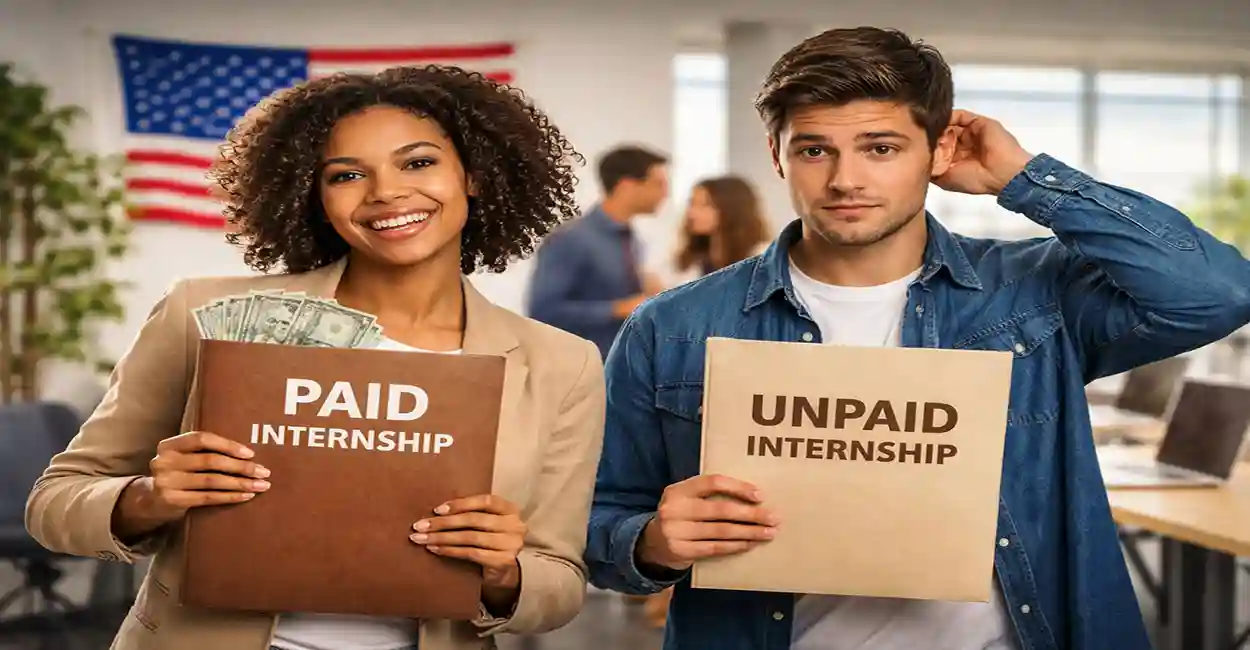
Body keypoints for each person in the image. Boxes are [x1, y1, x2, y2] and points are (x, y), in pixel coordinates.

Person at [585, 26, 1250, 650]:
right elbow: (596, 527)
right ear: (777, 156)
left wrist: (1025, 179)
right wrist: (651, 543)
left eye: (881, 148)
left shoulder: (1034, 293)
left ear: (935, 152)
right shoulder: (672, 327)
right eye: (814, 149)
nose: (845, 179)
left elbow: (1219, 293)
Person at [26, 66, 606, 650]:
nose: (386, 192)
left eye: (418, 162)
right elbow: (55, 502)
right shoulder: (199, 313)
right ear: (316, 194)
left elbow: (559, 582)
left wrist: (505, 574)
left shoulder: (562, 364)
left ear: (474, 175)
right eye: (347, 174)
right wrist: (147, 499)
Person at [526, 144, 670, 360]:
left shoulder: (634, 241)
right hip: (580, 370)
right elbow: (543, 311)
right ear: (627, 186)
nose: (666, 194)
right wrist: (618, 309)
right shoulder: (571, 239)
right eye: (658, 184)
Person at [670, 175, 772, 286]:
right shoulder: (692, 260)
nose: (692, 213)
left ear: (732, 209)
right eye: (692, 204)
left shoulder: (763, 257)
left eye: (705, 205)